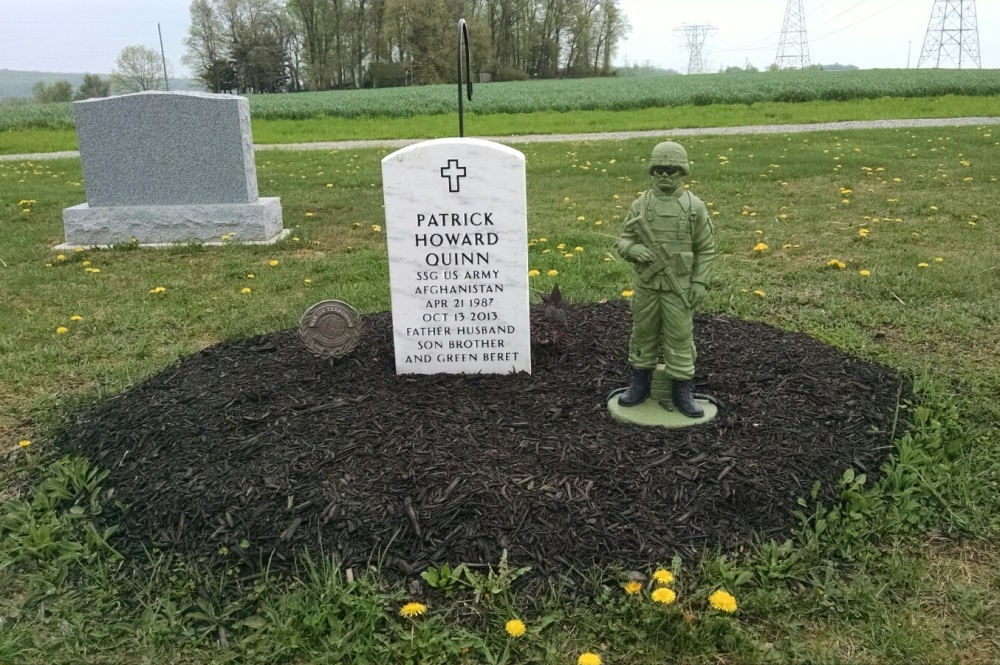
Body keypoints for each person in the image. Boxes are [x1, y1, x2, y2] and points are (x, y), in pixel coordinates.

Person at [614, 141, 715, 417]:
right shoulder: (640, 205)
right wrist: (634, 249)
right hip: (647, 286)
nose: (665, 176)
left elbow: (705, 248)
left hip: (678, 286)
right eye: (659, 170)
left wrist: (699, 283)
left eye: (672, 170)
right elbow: (623, 241)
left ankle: (681, 388)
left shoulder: (694, 207)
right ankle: (639, 382)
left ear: (683, 172)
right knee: (643, 333)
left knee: (680, 336)